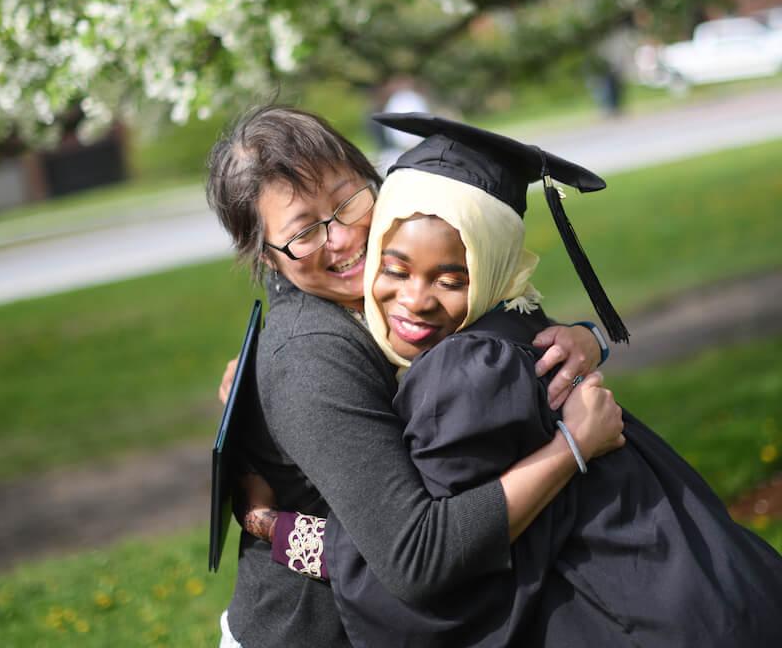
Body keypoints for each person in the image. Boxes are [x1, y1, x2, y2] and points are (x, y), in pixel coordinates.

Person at [263, 114, 782, 647]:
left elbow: (432, 564)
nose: (415, 299)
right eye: (395, 270)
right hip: (709, 583)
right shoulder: (509, 317)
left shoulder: (463, 378)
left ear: (490, 266)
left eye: (451, 279)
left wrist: (285, 534)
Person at [206, 104, 622, 648]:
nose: (342, 238)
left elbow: (491, 314)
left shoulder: (392, 291)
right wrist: (572, 446)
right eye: (304, 231)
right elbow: (416, 558)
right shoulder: (313, 355)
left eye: (348, 200)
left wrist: (586, 336)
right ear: (264, 253)